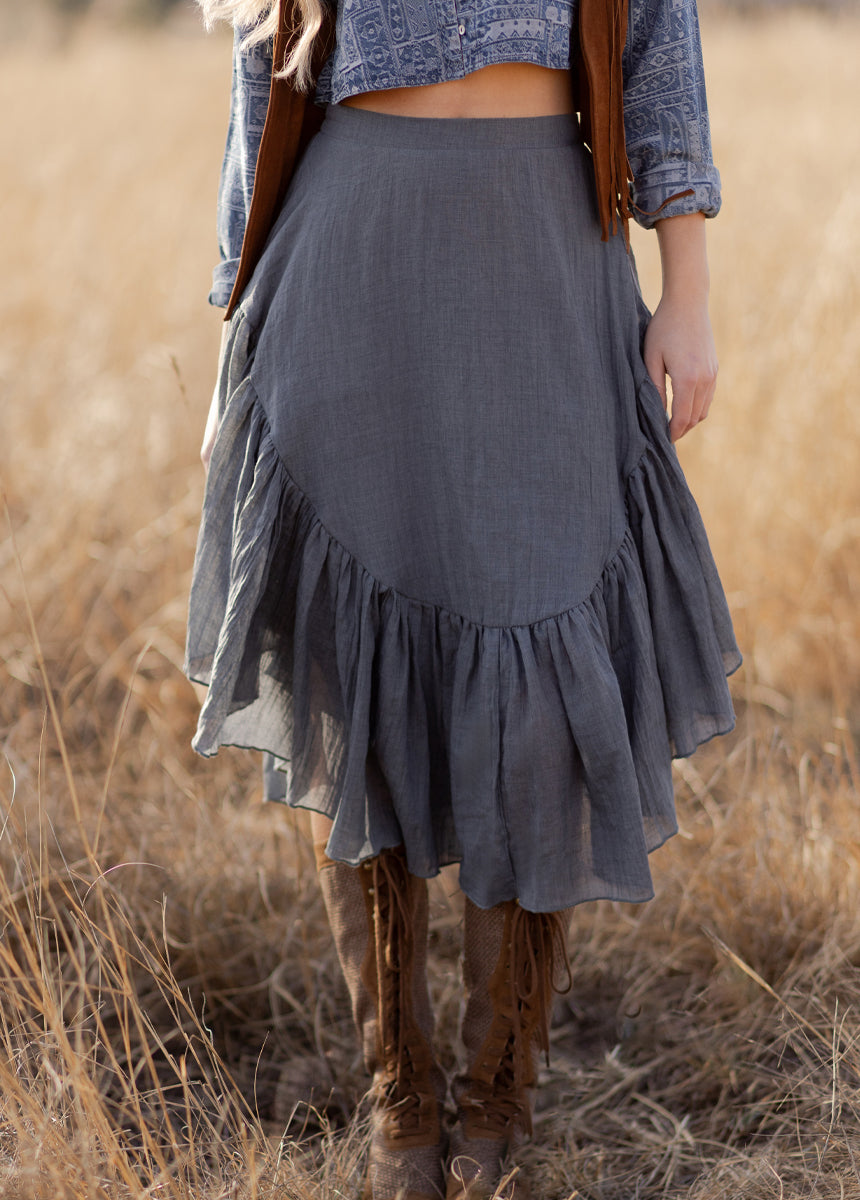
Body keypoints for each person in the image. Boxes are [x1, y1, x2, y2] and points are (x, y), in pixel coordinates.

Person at [184, 0, 741, 1193]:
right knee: (357, 688)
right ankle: (401, 1105)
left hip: (545, 243)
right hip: (346, 254)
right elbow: (262, 74)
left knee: (544, 699)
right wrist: (237, 329)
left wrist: (684, 289)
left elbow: (657, 53)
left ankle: (497, 1096)